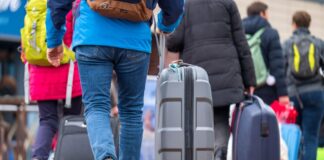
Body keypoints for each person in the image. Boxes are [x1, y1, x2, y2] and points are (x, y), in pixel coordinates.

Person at [45, 0, 184, 159]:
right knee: (131, 111)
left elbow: (58, 3)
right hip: (136, 40)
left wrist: (54, 39)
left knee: (96, 105)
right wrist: (167, 23)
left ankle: (105, 156)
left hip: (92, 34)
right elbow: (175, 5)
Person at [166, 0, 256, 159]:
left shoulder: (187, 6)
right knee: (220, 121)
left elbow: (174, 42)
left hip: (197, 79)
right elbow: (241, 43)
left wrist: (167, 33)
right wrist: (250, 81)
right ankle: (219, 153)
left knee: (197, 123)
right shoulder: (228, 3)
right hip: (226, 75)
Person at [26, 9, 83, 160]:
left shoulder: (34, 6)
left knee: (47, 120)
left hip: (40, 74)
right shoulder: (71, 6)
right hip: (69, 74)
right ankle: (65, 155)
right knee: (72, 120)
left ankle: (38, 157)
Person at [283, 11, 324, 160]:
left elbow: (281, 69)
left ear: (294, 24)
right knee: (311, 136)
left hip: (294, 94)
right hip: (316, 94)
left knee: (294, 133)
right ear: (309, 24)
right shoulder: (319, 43)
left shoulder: (287, 43)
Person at [242, 1, 290, 105]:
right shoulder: (270, 33)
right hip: (267, 89)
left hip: (246, 89)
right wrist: (283, 94)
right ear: (262, 13)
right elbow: (277, 66)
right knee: (268, 120)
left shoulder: (240, 33)